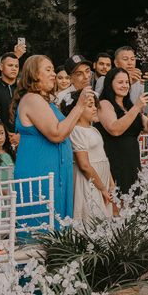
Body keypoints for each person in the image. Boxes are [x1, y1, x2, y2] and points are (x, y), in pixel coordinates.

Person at [11, 55, 94, 228]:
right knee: (42, 226)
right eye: (48, 70)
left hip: (55, 173)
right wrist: (79, 106)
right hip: (40, 174)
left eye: (53, 70)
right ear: (34, 74)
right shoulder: (32, 99)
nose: (53, 74)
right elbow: (56, 134)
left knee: (57, 226)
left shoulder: (45, 101)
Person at [96, 67, 148, 194]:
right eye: (120, 82)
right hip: (114, 160)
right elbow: (115, 129)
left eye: (126, 82)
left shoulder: (129, 106)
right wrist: (137, 107)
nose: (125, 86)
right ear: (110, 83)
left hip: (132, 161)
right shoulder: (105, 104)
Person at [62, 90, 114, 221]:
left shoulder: (93, 129)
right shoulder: (76, 131)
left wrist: (110, 183)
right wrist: (101, 188)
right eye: (90, 106)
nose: (95, 108)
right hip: (89, 181)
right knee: (92, 216)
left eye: (95, 105)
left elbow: (103, 158)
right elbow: (84, 165)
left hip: (102, 181)